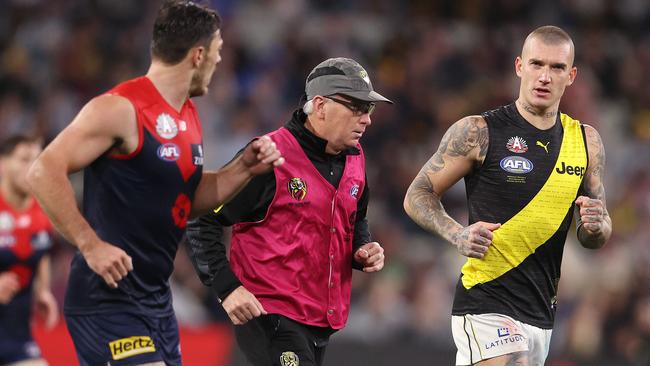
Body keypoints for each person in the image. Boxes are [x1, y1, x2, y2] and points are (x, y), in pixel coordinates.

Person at [26, 2, 283, 365]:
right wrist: (90, 244)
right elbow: (43, 170)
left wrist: (242, 168)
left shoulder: (188, 114)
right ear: (198, 55)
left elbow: (185, 200)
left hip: (156, 302)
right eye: (218, 52)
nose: (219, 61)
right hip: (107, 300)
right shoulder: (121, 108)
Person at [404, 25, 612, 366]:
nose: (545, 76)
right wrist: (457, 233)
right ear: (519, 67)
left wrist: (595, 226)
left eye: (557, 67)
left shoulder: (585, 142)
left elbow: (597, 235)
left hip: (540, 312)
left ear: (571, 75)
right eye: (536, 64)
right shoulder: (478, 131)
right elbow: (418, 194)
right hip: (486, 299)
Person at [185, 57, 390, 366]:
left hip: (318, 321)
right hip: (269, 316)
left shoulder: (355, 157)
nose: (366, 119)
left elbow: (355, 216)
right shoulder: (269, 157)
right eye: (357, 107)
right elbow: (202, 217)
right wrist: (228, 288)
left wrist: (361, 247)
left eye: (369, 109)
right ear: (320, 105)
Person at [0, 135, 58, 366]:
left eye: (37, 160)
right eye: (24, 159)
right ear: (2, 164)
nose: (32, 168)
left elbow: (41, 250)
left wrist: (43, 290)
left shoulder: (44, 211)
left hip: (16, 334)